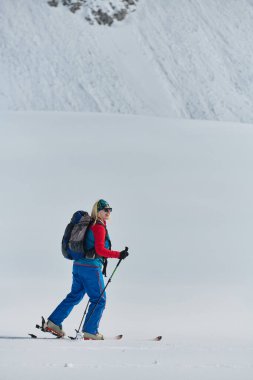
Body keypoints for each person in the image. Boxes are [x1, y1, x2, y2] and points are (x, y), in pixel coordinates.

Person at [45, 199, 129, 340]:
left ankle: (53, 323)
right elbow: (100, 250)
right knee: (99, 299)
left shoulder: (91, 225)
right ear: (98, 211)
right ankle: (90, 331)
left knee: (74, 296)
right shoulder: (98, 226)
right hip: (91, 267)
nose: (108, 212)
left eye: (110, 209)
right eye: (105, 209)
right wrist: (119, 254)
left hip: (78, 266)